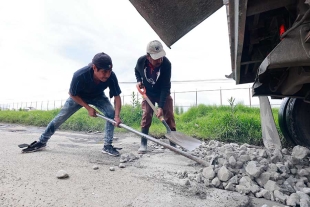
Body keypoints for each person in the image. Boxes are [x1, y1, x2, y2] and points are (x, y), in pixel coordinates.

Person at [22, 52, 122, 156]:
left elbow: (117, 96)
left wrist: (117, 116)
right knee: (60, 118)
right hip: (78, 97)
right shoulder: (79, 75)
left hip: (98, 96)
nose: (107, 75)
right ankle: (42, 142)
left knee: (111, 113)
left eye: (109, 71)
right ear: (94, 67)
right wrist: (88, 108)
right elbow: (72, 94)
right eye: (104, 71)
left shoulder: (111, 76)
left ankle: (107, 146)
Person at [134, 40, 176, 154]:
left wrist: (161, 106)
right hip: (149, 94)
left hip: (163, 92)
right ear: (148, 56)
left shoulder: (166, 64)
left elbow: (166, 86)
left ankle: (173, 144)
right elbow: (136, 71)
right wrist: (139, 81)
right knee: (147, 114)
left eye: (161, 57)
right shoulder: (141, 61)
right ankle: (143, 143)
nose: (160, 60)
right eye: (156, 58)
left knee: (169, 114)